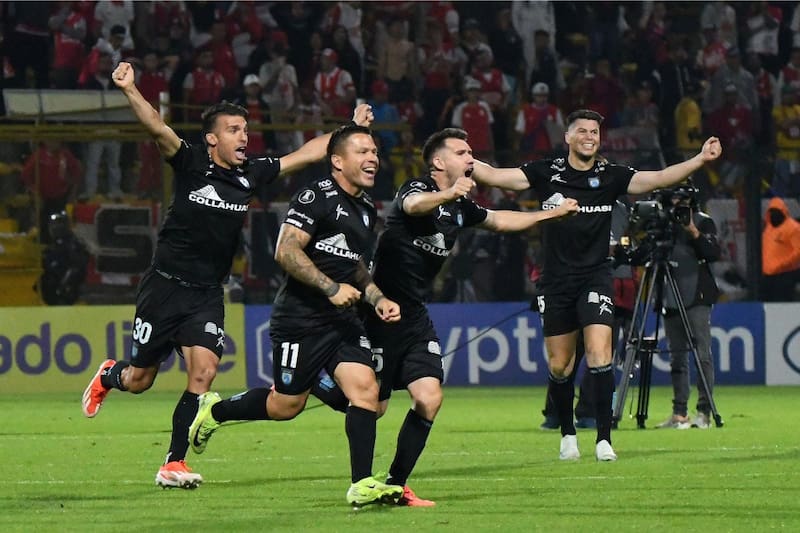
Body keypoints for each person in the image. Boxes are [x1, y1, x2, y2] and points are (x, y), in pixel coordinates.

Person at [80, 61, 374, 490]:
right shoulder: (190, 161)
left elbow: (307, 153)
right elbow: (158, 127)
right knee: (140, 380)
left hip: (206, 293)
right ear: (212, 138)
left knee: (204, 371)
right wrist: (129, 90)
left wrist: (348, 129)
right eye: (234, 129)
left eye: (245, 128)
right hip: (164, 287)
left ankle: (173, 462)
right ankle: (111, 375)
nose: (244, 136)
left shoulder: (250, 173)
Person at [310, 128, 578, 505]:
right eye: (462, 152)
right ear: (439, 162)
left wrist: (549, 215)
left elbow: (500, 220)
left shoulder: (460, 206)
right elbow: (412, 207)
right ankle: (313, 384)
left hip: (415, 316)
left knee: (429, 397)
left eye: (471, 152)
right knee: (375, 405)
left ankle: (396, 484)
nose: (471, 158)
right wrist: (448, 193)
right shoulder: (416, 189)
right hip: (380, 310)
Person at [471, 109, 722, 461]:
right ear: (568, 138)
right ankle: (568, 433)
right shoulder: (547, 172)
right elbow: (497, 176)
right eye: (583, 131)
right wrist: (460, 160)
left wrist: (699, 159)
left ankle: (604, 438)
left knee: (600, 354)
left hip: (596, 276)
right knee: (560, 366)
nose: (590, 136)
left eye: (595, 132)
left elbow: (660, 177)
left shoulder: (611, 175)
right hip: (556, 281)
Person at [188, 124, 405, 507]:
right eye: (363, 151)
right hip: (300, 320)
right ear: (337, 161)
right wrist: (330, 288)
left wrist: (377, 297)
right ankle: (215, 411)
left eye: (375, 152)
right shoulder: (315, 196)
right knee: (286, 405)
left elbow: (353, 265)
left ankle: (362, 483)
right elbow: (285, 251)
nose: (373, 158)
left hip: (343, 322)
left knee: (366, 392)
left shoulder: (367, 209)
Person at [655, 184, 721, 429]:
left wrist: (692, 230)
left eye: (680, 200)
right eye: (672, 199)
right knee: (677, 358)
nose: (676, 205)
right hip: (670, 295)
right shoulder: (664, 225)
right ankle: (679, 413)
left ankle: (703, 412)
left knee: (702, 354)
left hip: (697, 295)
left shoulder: (704, 222)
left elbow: (713, 252)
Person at [762, 197, 800, 302]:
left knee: (782, 301)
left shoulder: (793, 228)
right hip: (768, 274)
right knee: (767, 302)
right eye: (772, 212)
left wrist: (783, 264)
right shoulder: (768, 228)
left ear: (783, 212)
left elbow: (798, 251)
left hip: (785, 273)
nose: (774, 214)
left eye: (776, 211)